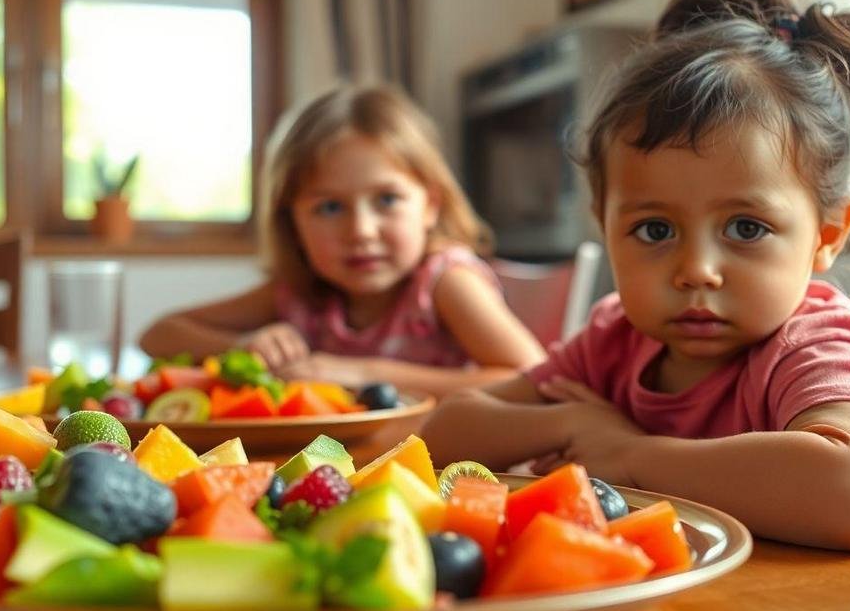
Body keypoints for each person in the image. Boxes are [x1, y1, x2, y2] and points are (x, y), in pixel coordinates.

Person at [421, 0, 850, 551]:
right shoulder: (615, 341)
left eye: (745, 227)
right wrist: (570, 425)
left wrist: (632, 455)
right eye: (655, 230)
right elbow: (442, 436)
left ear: (827, 235)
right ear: (604, 223)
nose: (695, 270)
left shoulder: (813, 346)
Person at [140, 85, 546, 397]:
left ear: (430, 206)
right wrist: (242, 347)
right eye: (330, 208)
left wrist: (365, 373)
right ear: (292, 222)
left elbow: (531, 377)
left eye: (387, 200)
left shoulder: (443, 282)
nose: (361, 231)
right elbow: (158, 335)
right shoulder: (298, 294)